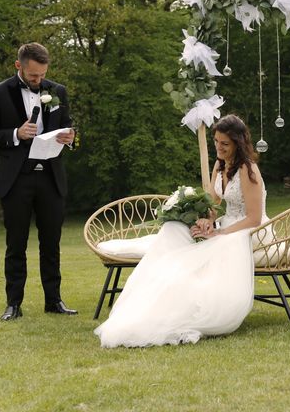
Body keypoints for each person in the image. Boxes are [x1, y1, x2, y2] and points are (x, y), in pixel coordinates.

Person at [94, 114, 267, 347]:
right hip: (226, 225)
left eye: (224, 144)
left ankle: (200, 304)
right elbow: (214, 204)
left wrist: (220, 233)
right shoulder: (220, 165)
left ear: (238, 143)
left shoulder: (248, 170)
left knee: (217, 245)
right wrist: (207, 220)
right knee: (174, 230)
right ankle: (161, 299)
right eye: (216, 141)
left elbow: (254, 218)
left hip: (250, 230)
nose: (219, 147)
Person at [0, 42, 77, 321]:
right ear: (18, 66)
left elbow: (68, 124)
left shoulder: (57, 91)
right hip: (16, 179)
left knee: (51, 243)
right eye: (33, 76)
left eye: (42, 75)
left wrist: (70, 137)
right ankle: (13, 304)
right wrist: (15, 134)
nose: (39, 81)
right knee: (16, 243)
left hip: (51, 177)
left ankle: (54, 301)